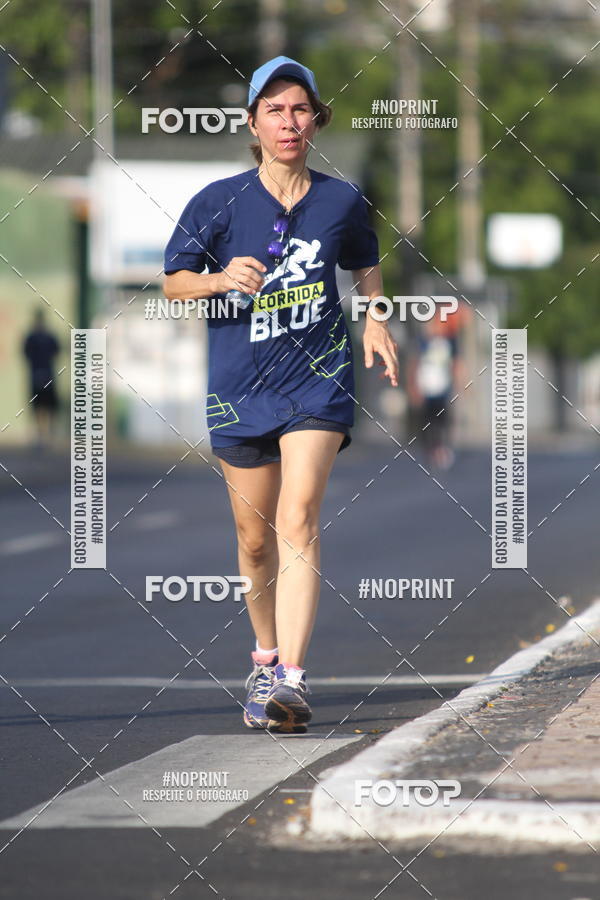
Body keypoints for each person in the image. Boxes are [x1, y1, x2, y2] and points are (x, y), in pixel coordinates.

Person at [163, 56, 398, 733]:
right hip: (240, 384)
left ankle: (292, 680)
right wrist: (216, 279)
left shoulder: (341, 200)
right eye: (275, 110)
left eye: (300, 109)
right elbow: (174, 281)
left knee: (298, 517)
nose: (289, 122)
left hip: (317, 380)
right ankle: (264, 657)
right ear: (253, 125)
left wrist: (375, 314)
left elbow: (365, 263)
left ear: (315, 120)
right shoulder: (219, 201)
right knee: (255, 538)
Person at [22, 309, 60, 449]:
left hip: (48, 374)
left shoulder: (49, 337)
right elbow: (25, 353)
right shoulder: (31, 337)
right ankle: (39, 434)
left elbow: (56, 351)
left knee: (50, 405)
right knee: (37, 405)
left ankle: (49, 434)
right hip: (35, 374)